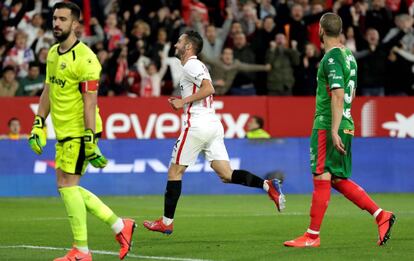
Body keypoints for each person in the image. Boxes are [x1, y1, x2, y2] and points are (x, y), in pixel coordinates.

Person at [143, 31, 285, 235]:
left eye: (179, 41)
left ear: (189, 47)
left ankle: (166, 222)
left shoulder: (191, 64)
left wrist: (182, 101)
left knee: (175, 172)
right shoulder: (195, 66)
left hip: (197, 124)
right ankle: (267, 185)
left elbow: (209, 89)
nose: (175, 45)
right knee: (226, 174)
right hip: (212, 124)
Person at [27, 3, 136, 261]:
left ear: (76, 24)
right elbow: (48, 90)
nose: (57, 23)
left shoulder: (87, 58)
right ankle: (121, 226)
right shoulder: (53, 53)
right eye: (55, 18)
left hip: (80, 131)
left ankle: (82, 251)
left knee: (67, 186)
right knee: (67, 186)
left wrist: (89, 138)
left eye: (63, 19)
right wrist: (38, 122)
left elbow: (90, 101)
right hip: (62, 132)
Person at [284, 13, 395, 248]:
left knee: (321, 176)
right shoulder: (349, 56)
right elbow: (351, 94)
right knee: (336, 178)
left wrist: (333, 129)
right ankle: (380, 215)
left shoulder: (331, 58)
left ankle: (312, 236)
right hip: (346, 121)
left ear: (321, 31)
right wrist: (342, 122)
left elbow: (337, 93)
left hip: (328, 124)